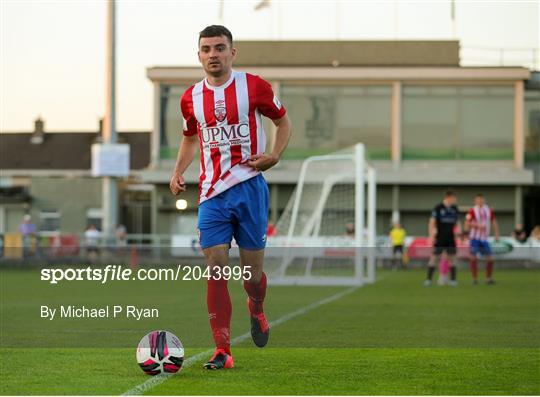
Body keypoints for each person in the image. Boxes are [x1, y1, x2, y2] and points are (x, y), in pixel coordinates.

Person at [169, 25, 291, 370]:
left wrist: (274, 155)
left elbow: (284, 123)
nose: (213, 55)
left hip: (250, 187)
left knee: (252, 276)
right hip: (211, 194)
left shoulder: (254, 86)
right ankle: (222, 350)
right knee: (215, 268)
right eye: (206, 49)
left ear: (232, 53)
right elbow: (191, 138)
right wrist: (178, 170)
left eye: (219, 48)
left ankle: (257, 307)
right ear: (199, 56)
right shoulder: (190, 98)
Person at [424, 190, 461, 287]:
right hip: (440, 237)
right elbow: (432, 222)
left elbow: (457, 222)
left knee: (452, 258)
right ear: (448, 197)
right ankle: (428, 280)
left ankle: (453, 280)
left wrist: (459, 233)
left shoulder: (454, 208)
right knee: (434, 258)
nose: (455, 200)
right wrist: (431, 236)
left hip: (450, 238)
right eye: (454, 198)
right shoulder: (438, 207)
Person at [465, 194, 500, 285]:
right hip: (474, 238)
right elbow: (467, 223)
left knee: (490, 258)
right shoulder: (472, 210)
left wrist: (496, 234)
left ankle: (488, 278)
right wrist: (477, 225)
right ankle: (474, 279)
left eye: (481, 200)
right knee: (473, 257)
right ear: (475, 201)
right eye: (478, 200)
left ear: (484, 200)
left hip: (484, 239)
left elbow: (494, 222)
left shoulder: (488, 210)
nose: (480, 202)